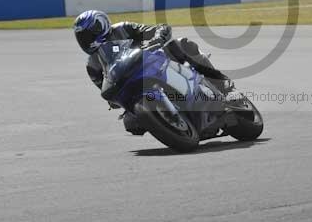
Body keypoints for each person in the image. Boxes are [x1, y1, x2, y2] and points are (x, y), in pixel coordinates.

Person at [73, 10, 232, 134]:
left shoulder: (122, 28)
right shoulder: (92, 65)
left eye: (90, 34)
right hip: (135, 88)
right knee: (130, 123)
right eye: (82, 37)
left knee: (182, 44)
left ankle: (223, 85)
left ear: (101, 25)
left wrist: (156, 38)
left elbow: (156, 29)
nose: (87, 40)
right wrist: (114, 100)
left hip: (154, 62)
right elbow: (106, 91)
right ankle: (171, 123)